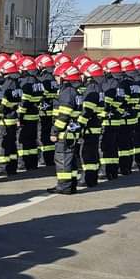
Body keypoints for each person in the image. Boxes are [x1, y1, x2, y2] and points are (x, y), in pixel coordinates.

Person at [48, 63, 84, 194]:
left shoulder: (67, 92)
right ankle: (71, 184)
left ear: (64, 76)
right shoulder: (76, 91)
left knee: (62, 159)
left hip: (65, 133)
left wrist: (55, 131)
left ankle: (64, 186)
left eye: (57, 76)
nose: (56, 79)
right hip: (72, 132)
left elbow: (63, 115)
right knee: (71, 160)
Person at [78, 59, 105, 187]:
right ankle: (92, 178)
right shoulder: (99, 87)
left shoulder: (91, 88)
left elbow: (87, 110)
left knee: (87, 154)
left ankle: (87, 178)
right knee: (93, 153)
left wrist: (79, 124)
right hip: (96, 125)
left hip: (90, 127)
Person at [16, 56, 43, 170]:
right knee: (32, 141)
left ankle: (23, 163)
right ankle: (33, 163)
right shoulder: (38, 81)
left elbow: (24, 102)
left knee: (23, 141)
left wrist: (19, 117)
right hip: (35, 116)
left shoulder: (26, 82)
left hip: (26, 117)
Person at [0, 58, 22, 177]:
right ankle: (12, 167)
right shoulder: (17, 84)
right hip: (13, 118)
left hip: (4, 120)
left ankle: (3, 168)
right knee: (12, 144)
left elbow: (3, 103)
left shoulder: (6, 85)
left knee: (2, 145)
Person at [35, 54, 59, 167]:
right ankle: (50, 159)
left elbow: (40, 95)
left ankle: (45, 159)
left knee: (44, 136)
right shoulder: (54, 78)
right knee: (50, 134)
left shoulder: (43, 79)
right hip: (53, 111)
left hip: (44, 112)